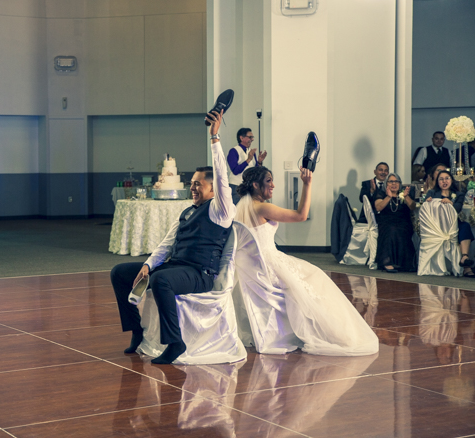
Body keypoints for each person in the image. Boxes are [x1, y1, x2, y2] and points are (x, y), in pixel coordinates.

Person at [110, 109, 235, 365]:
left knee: (161, 280)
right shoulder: (187, 211)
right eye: (192, 183)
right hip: (176, 267)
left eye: (199, 184)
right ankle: (136, 330)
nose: (193, 187)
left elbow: (222, 177)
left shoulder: (220, 211)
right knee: (119, 272)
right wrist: (147, 265)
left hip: (200, 274)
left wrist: (215, 138)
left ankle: (175, 342)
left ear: (213, 189)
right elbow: (166, 244)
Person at [233, 166, 379, 356]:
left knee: (309, 276)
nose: (273, 185)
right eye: (269, 181)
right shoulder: (262, 207)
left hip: (250, 266)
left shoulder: (240, 208)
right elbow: (301, 215)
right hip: (269, 263)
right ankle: (332, 332)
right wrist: (307, 184)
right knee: (315, 276)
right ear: (255, 185)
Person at [424, 169, 475, 277]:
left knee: (465, 226)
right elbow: (425, 209)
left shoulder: (459, 194)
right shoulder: (432, 193)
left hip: (453, 224)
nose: (444, 181)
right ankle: (466, 267)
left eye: (447, 178)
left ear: (452, 180)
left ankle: (464, 258)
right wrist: (429, 202)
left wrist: (451, 203)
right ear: (438, 182)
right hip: (437, 226)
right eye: (441, 179)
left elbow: (457, 209)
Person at [373, 173, 417, 273]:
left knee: (401, 230)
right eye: (391, 181)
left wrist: (406, 197)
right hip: (386, 222)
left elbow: (413, 207)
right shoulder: (381, 193)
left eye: (396, 181)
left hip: (403, 222)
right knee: (391, 230)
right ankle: (387, 262)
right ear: (386, 184)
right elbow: (378, 207)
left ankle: (405, 264)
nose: (394, 184)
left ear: (400, 183)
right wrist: (388, 197)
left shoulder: (404, 193)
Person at [227, 128, 267, 205]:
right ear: (241, 138)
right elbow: (235, 171)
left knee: (248, 209)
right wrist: (248, 159)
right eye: (250, 137)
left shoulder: (251, 152)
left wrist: (259, 162)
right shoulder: (233, 151)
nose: (252, 139)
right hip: (236, 186)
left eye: (252, 137)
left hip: (248, 186)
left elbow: (255, 172)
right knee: (237, 209)